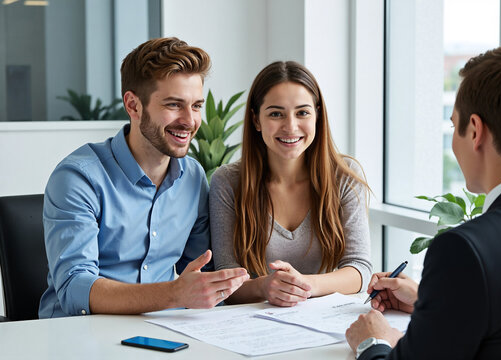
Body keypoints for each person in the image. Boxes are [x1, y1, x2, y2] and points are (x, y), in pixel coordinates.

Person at [346, 44, 501, 359]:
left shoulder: (465, 251)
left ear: (475, 131)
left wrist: (373, 341)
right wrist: (430, 303)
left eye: (454, 126)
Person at [39, 37, 249, 318]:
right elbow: (75, 289)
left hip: (160, 331)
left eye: (196, 106)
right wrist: (174, 293)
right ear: (133, 106)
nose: (190, 120)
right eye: (174, 105)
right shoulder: (78, 178)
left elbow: (203, 273)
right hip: (77, 335)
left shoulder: (193, 177)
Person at [209, 61, 372, 307]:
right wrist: (264, 286)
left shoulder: (345, 177)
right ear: (256, 120)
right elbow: (225, 280)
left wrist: (305, 285)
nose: (290, 126)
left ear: (317, 115)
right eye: (276, 113)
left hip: (323, 320)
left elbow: (359, 269)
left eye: (302, 112)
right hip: (252, 325)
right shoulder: (228, 182)